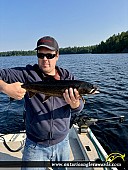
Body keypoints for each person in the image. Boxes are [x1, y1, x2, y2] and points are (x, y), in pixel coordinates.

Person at [0, 36, 84, 170]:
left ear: (57, 55)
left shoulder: (67, 77)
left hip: (63, 142)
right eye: (41, 54)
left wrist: (75, 104)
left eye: (50, 55)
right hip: (35, 145)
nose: (45, 59)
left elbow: (79, 107)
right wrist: (5, 88)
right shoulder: (27, 74)